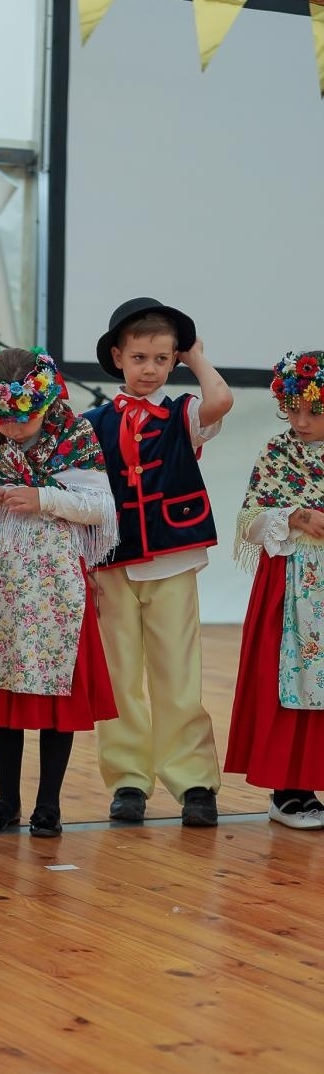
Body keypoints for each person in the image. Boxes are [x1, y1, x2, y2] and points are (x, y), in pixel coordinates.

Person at [85, 298, 233, 827]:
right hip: (112, 565)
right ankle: (128, 779)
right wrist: (87, 570)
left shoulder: (184, 413)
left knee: (178, 673)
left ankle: (193, 780)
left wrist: (196, 357)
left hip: (172, 559)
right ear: (119, 358)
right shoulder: (91, 423)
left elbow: (221, 400)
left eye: (162, 359)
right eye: (141, 357)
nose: (151, 369)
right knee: (121, 676)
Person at [0, 347, 118, 837]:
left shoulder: (75, 434)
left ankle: (48, 803)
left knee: (56, 692)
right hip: (4, 579)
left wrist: (44, 498)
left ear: (46, 401)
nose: (11, 428)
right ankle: (7, 798)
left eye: (22, 418)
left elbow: (101, 508)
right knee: (4, 687)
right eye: (1, 420)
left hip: (55, 581)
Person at [225, 351, 324, 829]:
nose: (300, 422)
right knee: (291, 680)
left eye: (314, 411)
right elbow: (250, 519)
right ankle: (290, 790)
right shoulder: (277, 452)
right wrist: (298, 517)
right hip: (293, 582)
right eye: (293, 410)